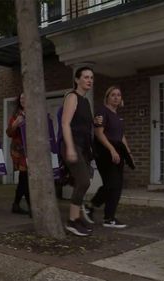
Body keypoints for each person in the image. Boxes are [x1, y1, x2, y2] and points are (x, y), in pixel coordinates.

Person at [83, 86, 132, 229]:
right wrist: (111, 150)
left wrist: (128, 152)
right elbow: (99, 133)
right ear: (107, 97)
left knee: (114, 186)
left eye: (118, 95)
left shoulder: (117, 116)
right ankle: (108, 218)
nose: (116, 97)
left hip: (118, 152)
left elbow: (121, 136)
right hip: (105, 153)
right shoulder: (102, 112)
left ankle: (92, 207)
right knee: (113, 184)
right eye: (113, 95)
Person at [61, 66, 96, 236]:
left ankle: (76, 218)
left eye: (91, 78)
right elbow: (65, 123)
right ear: (77, 80)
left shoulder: (86, 101)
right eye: (86, 77)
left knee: (81, 182)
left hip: (83, 147)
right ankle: (72, 221)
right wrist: (70, 147)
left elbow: (83, 125)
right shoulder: (72, 97)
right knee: (83, 181)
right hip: (72, 144)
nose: (89, 80)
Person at [6, 93, 31, 215]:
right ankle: (32, 207)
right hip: (19, 150)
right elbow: (9, 133)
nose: (23, 100)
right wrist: (15, 123)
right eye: (21, 98)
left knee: (23, 178)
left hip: (31, 149)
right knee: (25, 175)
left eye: (25, 97)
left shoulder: (34, 113)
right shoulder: (16, 115)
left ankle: (15, 205)